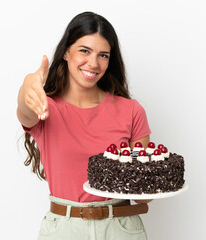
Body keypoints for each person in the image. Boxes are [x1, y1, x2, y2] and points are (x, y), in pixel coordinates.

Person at [17, 11, 152, 240]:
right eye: (84, 51)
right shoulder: (45, 108)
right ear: (67, 52)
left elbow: (143, 197)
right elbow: (25, 111)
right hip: (64, 229)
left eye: (103, 55)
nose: (93, 63)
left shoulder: (131, 111)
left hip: (120, 228)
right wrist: (27, 86)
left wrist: (146, 179)